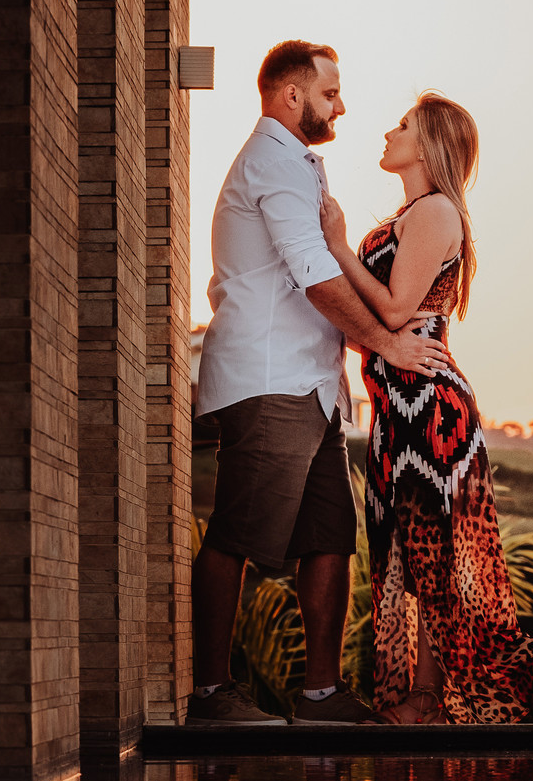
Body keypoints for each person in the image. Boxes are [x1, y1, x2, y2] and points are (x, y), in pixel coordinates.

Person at [187, 42, 449, 728]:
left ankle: (322, 697)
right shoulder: (273, 163)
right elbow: (313, 272)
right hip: (269, 382)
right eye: (331, 93)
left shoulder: (298, 166)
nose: (343, 106)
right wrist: (388, 341)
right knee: (237, 533)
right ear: (291, 96)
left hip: (314, 389)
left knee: (328, 538)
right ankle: (211, 696)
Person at [319, 92, 533, 723]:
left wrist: (340, 247)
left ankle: (430, 698)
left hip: (428, 404)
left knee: (430, 550)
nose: (388, 131)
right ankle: (414, 697)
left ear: (428, 144)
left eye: (402, 126)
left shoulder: (435, 213)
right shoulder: (413, 212)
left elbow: (397, 311)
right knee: (404, 545)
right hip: (396, 405)